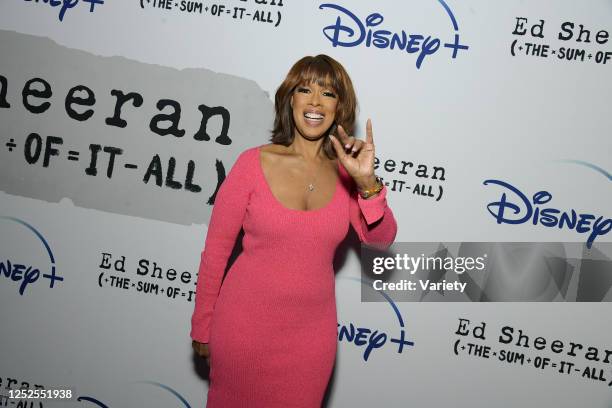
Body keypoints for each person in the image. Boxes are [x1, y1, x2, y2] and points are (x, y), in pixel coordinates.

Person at [190, 54, 397, 407]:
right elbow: (215, 253)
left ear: (339, 107)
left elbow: (380, 240)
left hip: (309, 342)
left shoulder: (348, 176)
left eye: (328, 94)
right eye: (305, 90)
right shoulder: (252, 164)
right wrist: (202, 327)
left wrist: (367, 184)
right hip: (242, 331)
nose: (315, 102)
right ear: (290, 99)